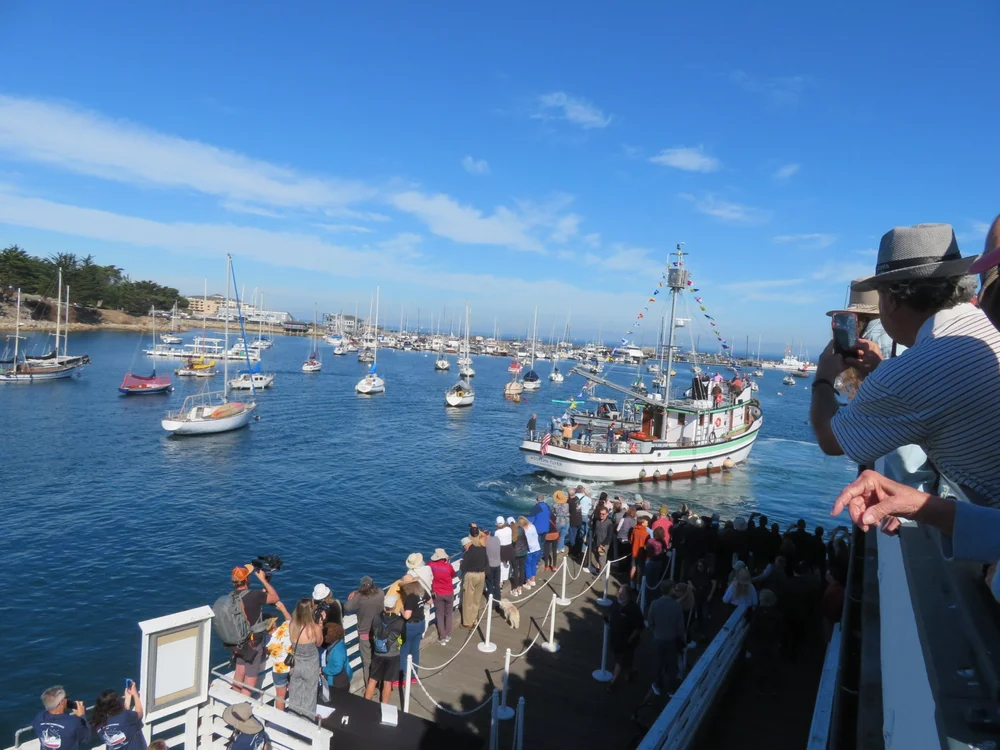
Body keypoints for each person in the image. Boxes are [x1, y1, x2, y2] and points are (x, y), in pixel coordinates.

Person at [811, 223, 1000, 506]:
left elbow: (830, 439)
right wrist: (880, 370)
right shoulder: (989, 322)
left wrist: (823, 377)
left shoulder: (912, 373)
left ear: (892, 299)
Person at [229, 564, 280, 696]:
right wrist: (263, 579)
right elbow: (275, 597)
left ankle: (234, 702)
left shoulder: (232, 597)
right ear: (247, 580)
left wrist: (264, 586)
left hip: (239, 641)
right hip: (253, 643)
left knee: (239, 671)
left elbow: (252, 603)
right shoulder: (255, 595)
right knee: (250, 679)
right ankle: (242, 708)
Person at [647, 580, 686, 697]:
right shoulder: (676, 606)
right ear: (670, 590)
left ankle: (657, 685)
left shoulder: (654, 604)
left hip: (658, 638)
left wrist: (655, 632)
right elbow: (681, 627)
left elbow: (650, 622)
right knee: (672, 665)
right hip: (671, 639)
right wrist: (682, 640)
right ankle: (671, 689)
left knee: (659, 663)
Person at [286, 599, 323, 720]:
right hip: (310, 666)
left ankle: (293, 723)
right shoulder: (314, 628)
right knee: (310, 696)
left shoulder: (292, 625)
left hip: (296, 665)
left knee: (294, 695)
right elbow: (319, 643)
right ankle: (307, 725)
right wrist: (321, 627)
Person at [365, 594, 405, 704]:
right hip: (393, 655)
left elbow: (372, 632)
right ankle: (384, 707)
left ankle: (365, 704)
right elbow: (404, 638)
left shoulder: (377, 617)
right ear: (395, 606)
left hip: (378, 653)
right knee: (387, 682)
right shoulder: (400, 621)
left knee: (372, 680)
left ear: (384, 606)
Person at [344, 576, 383, 684]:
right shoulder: (380, 593)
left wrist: (356, 593)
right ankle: (380, 683)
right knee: (379, 659)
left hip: (365, 635)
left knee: (367, 663)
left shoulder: (359, 598)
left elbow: (347, 607)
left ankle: (370, 687)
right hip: (379, 632)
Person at [605, 586, 644, 692]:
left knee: (620, 660)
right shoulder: (615, 604)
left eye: (622, 594)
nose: (619, 595)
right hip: (615, 638)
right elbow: (610, 614)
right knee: (624, 659)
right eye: (619, 592)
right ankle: (630, 671)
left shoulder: (634, 609)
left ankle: (613, 682)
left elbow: (639, 626)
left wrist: (630, 639)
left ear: (629, 596)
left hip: (626, 641)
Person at [91, 684, 145, 750]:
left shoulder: (97, 723)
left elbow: (120, 720)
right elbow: (139, 713)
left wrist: (127, 698)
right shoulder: (125, 716)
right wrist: (135, 694)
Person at [264, 600, 294, 710]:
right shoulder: (285, 629)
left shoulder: (266, 641)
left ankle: (280, 720)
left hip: (279, 669)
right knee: (293, 690)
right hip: (291, 665)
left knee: (280, 696)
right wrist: (283, 608)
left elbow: (265, 653)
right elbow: (289, 620)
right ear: (274, 624)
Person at [399, 579, 426, 685]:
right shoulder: (420, 593)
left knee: (404, 652)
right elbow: (429, 602)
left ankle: (403, 677)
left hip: (411, 627)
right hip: (421, 623)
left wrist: (401, 608)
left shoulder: (410, 597)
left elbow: (407, 616)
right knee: (415, 651)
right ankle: (414, 676)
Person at [320, 618, 354, 698]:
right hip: (342, 679)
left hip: (338, 682)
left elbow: (337, 668)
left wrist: (323, 669)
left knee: (338, 700)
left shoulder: (337, 651)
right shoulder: (339, 643)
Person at [460, 533, 487, 627]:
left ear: (466, 545)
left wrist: (462, 563)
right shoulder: (482, 549)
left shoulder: (468, 553)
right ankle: (475, 619)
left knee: (468, 599)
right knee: (477, 599)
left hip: (471, 576)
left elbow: (463, 567)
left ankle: (467, 622)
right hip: (481, 575)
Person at [428, 548, 455, 645]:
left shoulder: (431, 565)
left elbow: (427, 567)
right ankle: (448, 635)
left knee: (439, 615)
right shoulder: (448, 566)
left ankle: (442, 637)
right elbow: (453, 575)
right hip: (449, 593)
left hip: (438, 593)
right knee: (448, 614)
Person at [690, 558, 716, 635]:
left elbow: (714, 583)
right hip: (697, 596)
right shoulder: (695, 574)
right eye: (698, 566)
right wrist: (692, 588)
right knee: (698, 612)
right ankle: (699, 626)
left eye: (701, 566)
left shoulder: (708, 574)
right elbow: (689, 580)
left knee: (705, 613)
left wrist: (711, 594)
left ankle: (705, 631)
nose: (699, 568)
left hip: (705, 596)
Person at [590, 506, 614, 575]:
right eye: (600, 514)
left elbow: (609, 536)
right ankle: (601, 571)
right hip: (596, 542)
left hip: (604, 544)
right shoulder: (597, 521)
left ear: (607, 514)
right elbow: (594, 530)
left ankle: (602, 575)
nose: (601, 515)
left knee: (601, 559)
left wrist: (603, 544)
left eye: (603, 514)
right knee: (596, 557)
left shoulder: (609, 523)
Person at [495, 516, 514, 591]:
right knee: (506, 565)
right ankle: (504, 579)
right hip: (509, 549)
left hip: (501, 550)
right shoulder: (509, 529)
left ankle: (500, 583)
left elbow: (496, 541)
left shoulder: (497, 532)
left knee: (501, 566)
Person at [630, 515, 650, 584]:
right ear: (642, 523)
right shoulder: (646, 534)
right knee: (639, 570)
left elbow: (631, 540)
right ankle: (638, 585)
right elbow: (647, 545)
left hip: (634, 552)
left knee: (633, 567)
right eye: (646, 522)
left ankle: (631, 583)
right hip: (641, 554)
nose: (647, 523)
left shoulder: (634, 530)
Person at [511, 519, 528, 596]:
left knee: (515, 570)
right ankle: (520, 588)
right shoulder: (521, 529)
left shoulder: (511, 532)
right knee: (521, 569)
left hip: (515, 554)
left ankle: (515, 589)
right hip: (523, 552)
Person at [552, 491, 570, 555]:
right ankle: (561, 548)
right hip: (566, 521)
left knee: (558, 535)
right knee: (563, 535)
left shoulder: (554, 505)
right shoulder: (567, 505)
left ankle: (558, 548)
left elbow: (553, 513)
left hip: (558, 521)